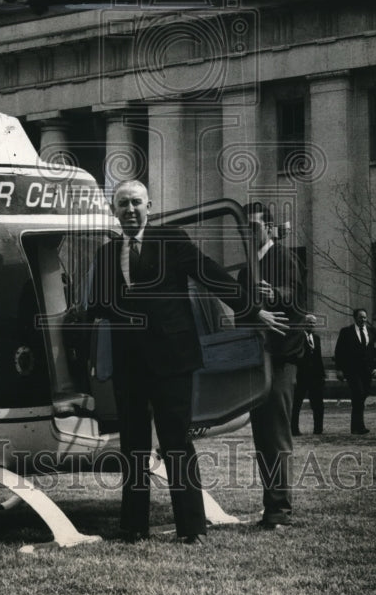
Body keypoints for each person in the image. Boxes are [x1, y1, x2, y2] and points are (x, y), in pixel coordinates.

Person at [86, 180, 288, 545]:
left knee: (175, 441)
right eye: (122, 205)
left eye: (136, 203)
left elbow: (211, 274)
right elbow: (97, 305)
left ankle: (190, 527)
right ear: (114, 212)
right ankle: (132, 528)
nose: (130, 210)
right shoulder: (106, 253)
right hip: (128, 364)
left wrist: (253, 310)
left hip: (172, 361)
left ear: (149, 205)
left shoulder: (171, 240)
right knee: (132, 445)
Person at [238, 201, 306, 530]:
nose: (248, 233)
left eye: (253, 227)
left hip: (280, 360)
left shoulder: (284, 257)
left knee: (277, 437)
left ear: (268, 227)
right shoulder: (245, 268)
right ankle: (271, 508)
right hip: (255, 361)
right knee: (263, 437)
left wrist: (275, 294)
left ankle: (280, 511)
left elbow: (295, 296)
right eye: (244, 228)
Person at [334, 308, 376, 434]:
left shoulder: (372, 332)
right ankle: (358, 426)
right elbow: (339, 352)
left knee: (361, 396)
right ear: (355, 318)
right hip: (352, 370)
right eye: (360, 317)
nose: (362, 319)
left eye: (364, 317)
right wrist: (339, 369)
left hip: (367, 371)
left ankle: (356, 426)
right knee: (358, 393)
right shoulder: (346, 332)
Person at [291, 313, 325, 435]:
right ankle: (294, 429)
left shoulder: (316, 338)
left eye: (313, 323)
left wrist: (322, 376)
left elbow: (318, 358)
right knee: (296, 404)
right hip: (300, 376)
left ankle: (318, 429)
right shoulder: (298, 338)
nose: (311, 325)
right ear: (304, 324)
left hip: (315, 377)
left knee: (318, 405)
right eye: (309, 322)